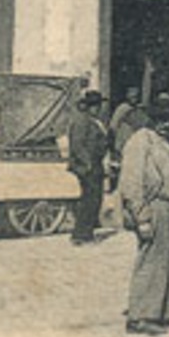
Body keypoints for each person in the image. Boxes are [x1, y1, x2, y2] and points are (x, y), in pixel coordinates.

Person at [118, 95, 169, 334]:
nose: (166, 124)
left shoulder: (164, 142)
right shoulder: (140, 141)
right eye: (161, 119)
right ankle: (140, 316)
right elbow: (131, 182)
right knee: (151, 261)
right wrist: (142, 217)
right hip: (153, 206)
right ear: (152, 119)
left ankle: (164, 312)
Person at [66, 89, 110, 245]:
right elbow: (78, 146)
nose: (98, 109)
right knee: (90, 200)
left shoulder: (94, 121)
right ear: (90, 107)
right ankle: (81, 235)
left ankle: (86, 233)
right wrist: (88, 164)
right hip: (88, 167)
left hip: (95, 165)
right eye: (96, 106)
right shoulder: (82, 122)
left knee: (94, 199)